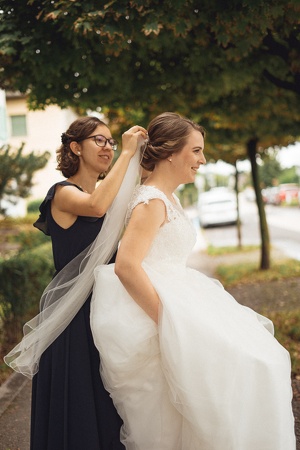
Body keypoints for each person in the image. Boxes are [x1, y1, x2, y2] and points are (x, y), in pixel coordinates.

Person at [90, 112, 296, 450]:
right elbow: (126, 267)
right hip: (161, 309)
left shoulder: (166, 198)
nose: (202, 160)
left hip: (184, 295)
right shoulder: (151, 202)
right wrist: (170, 321)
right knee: (227, 382)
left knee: (262, 363)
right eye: (196, 151)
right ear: (171, 152)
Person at [4, 116, 147, 450]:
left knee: (108, 399)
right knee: (80, 402)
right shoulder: (62, 194)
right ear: (75, 147)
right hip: (72, 316)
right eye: (101, 140)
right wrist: (127, 154)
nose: (109, 148)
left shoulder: (104, 194)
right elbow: (95, 209)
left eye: (112, 142)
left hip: (106, 308)